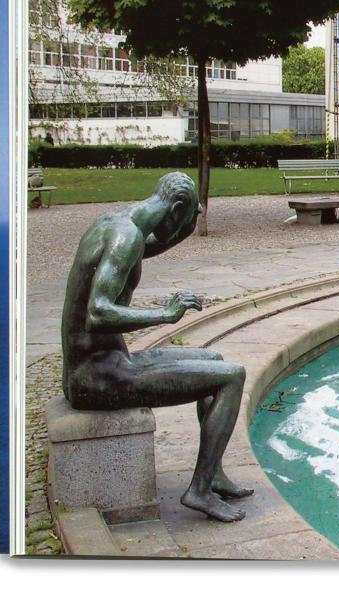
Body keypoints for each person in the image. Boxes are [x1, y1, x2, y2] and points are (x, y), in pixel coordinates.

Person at [61, 172, 250, 523]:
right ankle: (198, 491)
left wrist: (186, 229)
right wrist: (166, 314)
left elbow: (147, 246)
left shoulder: (118, 224)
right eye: (185, 217)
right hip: (97, 377)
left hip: (104, 363)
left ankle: (213, 475)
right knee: (232, 377)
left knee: (214, 358)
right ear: (176, 208)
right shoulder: (126, 236)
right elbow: (97, 313)